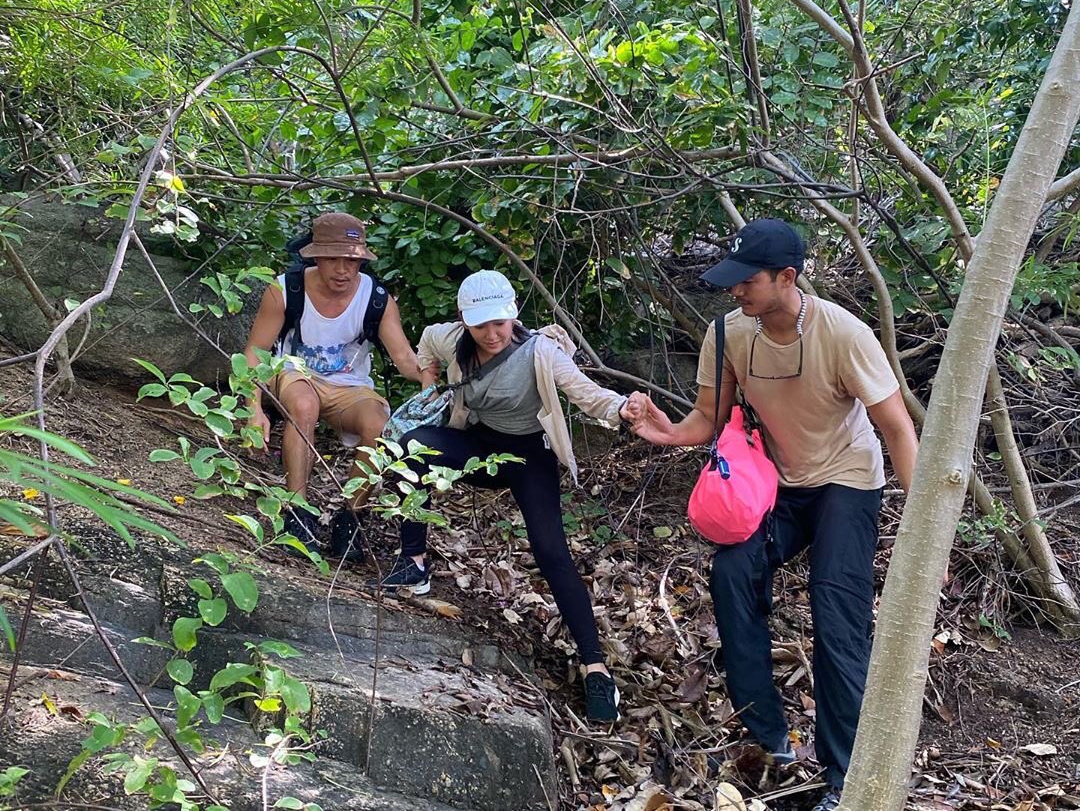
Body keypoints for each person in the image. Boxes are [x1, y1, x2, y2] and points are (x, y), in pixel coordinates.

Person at [627, 219, 919, 811]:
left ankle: (845, 777)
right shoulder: (730, 332)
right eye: (732, 282)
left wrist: (922, 536)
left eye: (747, 281)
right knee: (732, 573)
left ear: (787, 278)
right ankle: (769, 738)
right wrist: (664, 432)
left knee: (835, 610)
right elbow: (708, 419)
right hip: (781, 484)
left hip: (848, 480)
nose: (736, 292)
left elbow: (896, 428)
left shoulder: (842, 332)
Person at [375, 269, 639, 722]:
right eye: (481, 325)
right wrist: (429, 381)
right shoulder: (449, 336)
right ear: (465, 320)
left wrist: (622, 408)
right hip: (478, 445)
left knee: (553, 553)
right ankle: (413, 562)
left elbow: (586, 394)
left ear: (513, 314)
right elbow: (426, 346)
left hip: (528, 456)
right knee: (408, 448)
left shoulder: (541, 351)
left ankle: (595, 667)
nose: (492, 334)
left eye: (499, 322)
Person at [244, 212, 427, 561]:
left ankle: (351, 518)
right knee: (303, 405)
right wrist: (253, 408)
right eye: (332, 259)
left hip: (350, 385)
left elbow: (404, 357)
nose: (342, 270)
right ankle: (296, 510)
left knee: (379, 424)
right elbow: (255, 354)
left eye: (352, 260)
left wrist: (430, 374)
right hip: (296, 373)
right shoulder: (285, 290)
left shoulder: (377, 298)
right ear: (314, 257)